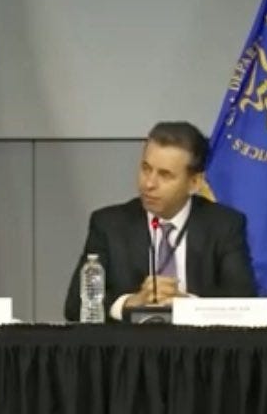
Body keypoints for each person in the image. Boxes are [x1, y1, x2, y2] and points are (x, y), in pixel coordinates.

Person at [64, 121, 257, 321]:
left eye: (165, 175)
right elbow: (75, 306)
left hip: (200, 340)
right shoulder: (109, 225)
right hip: (131, 341)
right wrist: (130, 303)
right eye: (146, 169)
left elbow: (245, 304)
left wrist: (188, 306)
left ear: (194, 183)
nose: (149, 183)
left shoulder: (224, 225)